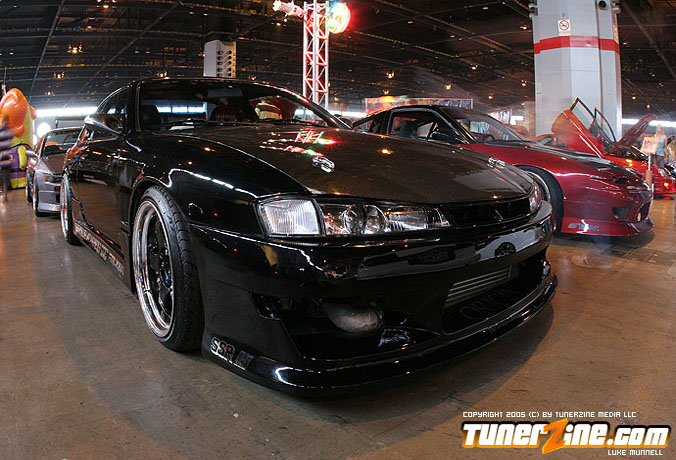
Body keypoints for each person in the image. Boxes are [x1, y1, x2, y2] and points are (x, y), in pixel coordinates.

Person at [0, 123, 15, 203]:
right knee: (4, 178)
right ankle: (5, 195)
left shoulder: (6, 132)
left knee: (4, 178)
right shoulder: (8, 133)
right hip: (5, 160)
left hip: (4, 160)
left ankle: (5, 196)